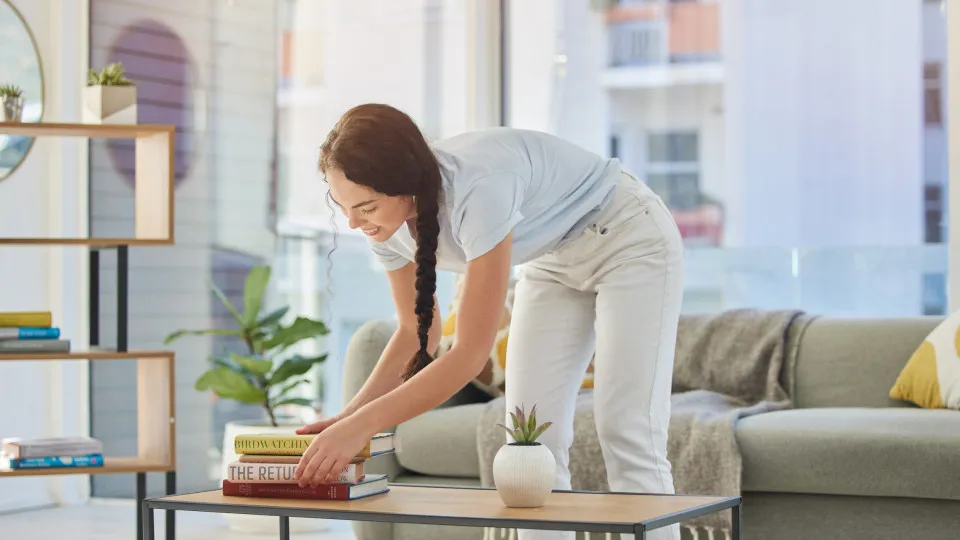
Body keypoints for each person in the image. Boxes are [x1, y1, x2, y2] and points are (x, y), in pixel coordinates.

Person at [292, 103, 684, 540]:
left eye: (364, 207)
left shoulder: (479, 185)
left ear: (404, 184)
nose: (352, 222)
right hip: (551, 258)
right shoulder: (384, 226)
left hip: (628, 235)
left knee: (627, 428)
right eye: (342, 206)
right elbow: (415, 332)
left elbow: (468, 354)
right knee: (529, 441)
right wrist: (348, 418)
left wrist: (362, 427)